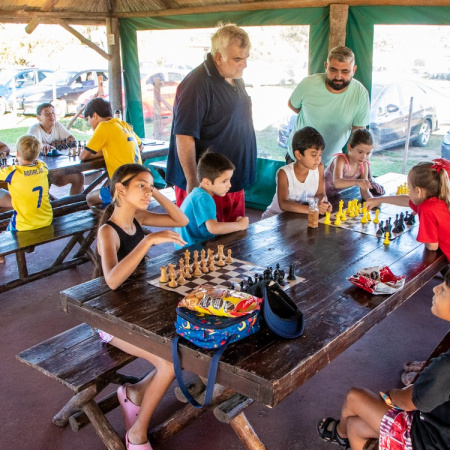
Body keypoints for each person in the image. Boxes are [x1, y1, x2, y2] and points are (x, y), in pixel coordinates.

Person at [94, 163, 188, 450]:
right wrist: (147, 241)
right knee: (170, 362)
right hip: (109, 319)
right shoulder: (108, 232)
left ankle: (133, 392)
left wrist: (155, 193)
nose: (148, 192)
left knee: (185, 346)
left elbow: (181, 220)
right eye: (141, 186)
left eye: (151, 186)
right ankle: (137, 433)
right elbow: (111, 281)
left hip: (136, 310)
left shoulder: (137, 217)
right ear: (120, 189)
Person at [317, 269, 450, 450]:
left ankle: (339, 433)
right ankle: (344, 434)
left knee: (355, 397)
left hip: (426, 441)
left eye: (443, 289)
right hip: (438, 433)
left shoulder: (446, 367)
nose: (436, 289)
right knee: (355, 426)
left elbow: (408, 402)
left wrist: (390, 396)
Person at [166, 23, 257, 223]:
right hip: (207, 184)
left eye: (245, 58)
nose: (244, 64)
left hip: (228, 180)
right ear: (218, 57)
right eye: (237, 59)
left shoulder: (233, 76)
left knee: (232, 244)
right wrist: (193, 181)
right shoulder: (197, 84)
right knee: (204, 245)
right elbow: (184, 135)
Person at [287, 46, 384, 196]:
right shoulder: (308, 84)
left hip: (331, 163)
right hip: (300, 158)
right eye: (333, 70)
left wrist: (367, 174)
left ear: (354, 69)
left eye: (345, 71)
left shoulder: (360, 93)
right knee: (294, 206)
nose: (338, 76)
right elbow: (293, 106)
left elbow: (359, 133)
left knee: (322, 208)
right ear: (326, 66)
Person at [366, 159, 450, 262]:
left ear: (418, 191)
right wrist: (378, 200)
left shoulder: (427, 208)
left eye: (409, 188)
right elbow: (407, 200)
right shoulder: (441, 198)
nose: (409, 191)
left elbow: (432, 247)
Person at [174, 151, 249, 248]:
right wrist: (239, 225)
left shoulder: (197, 194)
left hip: (190, 247)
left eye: (229, 179)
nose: (229, 185)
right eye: (224, 181)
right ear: (207, 182)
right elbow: (213, 228)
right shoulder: (203, 198)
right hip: (192, 252)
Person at [80, 98, 144, 208]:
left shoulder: (104, 126)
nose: (89, 124)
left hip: (125, 189)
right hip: (140, 183)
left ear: (94, 115)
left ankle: (109, 222)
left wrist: (103, 152)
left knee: (89, 198)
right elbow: (141, 146)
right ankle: (115, 217)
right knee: (110, 183)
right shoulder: (124, 124)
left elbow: (83, 156)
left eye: (88, 119)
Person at [0, 135, 52, 263]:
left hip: (24, 224)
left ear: (17, 153)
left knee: (5, 235)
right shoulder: (42, 167)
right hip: (46, 219)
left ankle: (1, 255)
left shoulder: (12, 172)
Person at [262, 127, 332, 219]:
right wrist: (312, 209)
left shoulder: (319, 168)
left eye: (320, 154)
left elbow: (320, 193)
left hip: (298, 217)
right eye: (313, 154)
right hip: (275, 218)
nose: (318, 159)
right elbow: (283, 204)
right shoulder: (284, 173)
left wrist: (323, 204)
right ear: (298, 155)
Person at [27, 103, 84, 195]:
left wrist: (53, 144)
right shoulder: (34, 129)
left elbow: (72, 140)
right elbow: (31, 145)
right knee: (43, 186)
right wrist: (44, 145)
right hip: (40, 172)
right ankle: (51, 206)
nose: (51, 115)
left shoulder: (57, 125)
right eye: (47, 113)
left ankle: (73, 206)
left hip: (58, 170)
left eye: (53, 112)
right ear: (39, 117)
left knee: (79, 177)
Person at [324, 128, 376, 201]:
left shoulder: (363, 164)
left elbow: (364, 191)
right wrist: (357, 182)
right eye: (360, 152)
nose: (364, 157)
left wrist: (373, 201)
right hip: (317, 194)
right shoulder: (341, 159)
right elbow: (337, 182)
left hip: (333, 197)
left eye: (368, 153)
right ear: (349, 147)